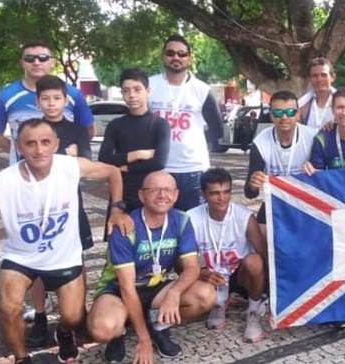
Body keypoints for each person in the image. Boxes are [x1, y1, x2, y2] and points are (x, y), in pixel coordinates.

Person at [0, 119, 131, 364]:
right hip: (21, 257)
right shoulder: (4, 180)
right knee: (8, 308)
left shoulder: (71, 166)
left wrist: (117, 209)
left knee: (74, 318)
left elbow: (112, 172)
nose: (39, 149)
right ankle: (22, 359)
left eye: (45, 142)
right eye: (30, 143)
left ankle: (64, 332)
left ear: (56, 144)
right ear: (19, 148)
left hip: (64, 256)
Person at [88, 171, 216, 363]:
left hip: (157, 287)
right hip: (119, 291)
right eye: (154, 190)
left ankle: (157, 325)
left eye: (167, 190)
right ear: (142, 195)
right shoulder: (126, 226)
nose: (162, 195)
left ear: (176, 195)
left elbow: (192, 268)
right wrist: (143, 339)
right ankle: (120, 331)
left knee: (205, 295)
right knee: (102, 329)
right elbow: (126, 287)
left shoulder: (181, 220)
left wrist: (173, 294)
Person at [19, 75, 96, 347]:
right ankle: (40, 316)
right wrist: (66, 157)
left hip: (70, 206)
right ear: (37, 101)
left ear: (66, 100)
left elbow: (86, 165)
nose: (51, 104)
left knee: (77, 262)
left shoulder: (76, 130)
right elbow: (24, 167)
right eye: (45, 98)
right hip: (36, 208)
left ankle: (77, 315)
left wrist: (75, 158)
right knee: (37, 264)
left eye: (57, 98)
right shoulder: (28, 129)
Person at [187, 168, 266, 342]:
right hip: (212, 274)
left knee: (255, 262)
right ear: (203, 194)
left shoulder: (244, 217)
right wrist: (200, 272)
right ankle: (219, 305)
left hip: (239, 274)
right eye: (214, 193)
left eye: (226, 192)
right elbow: (183, 260)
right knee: (191, 269)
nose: (221, 198)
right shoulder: (192, 218)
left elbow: (263, 254)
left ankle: (253, 313)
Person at [0, 40, 94, 165]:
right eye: (29, 58)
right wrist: (22, 150)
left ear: (53, 62)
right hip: (23, 174)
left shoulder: (74, 94)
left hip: (65, 175)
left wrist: (75, 150)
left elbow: (88, 131)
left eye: (43, 58)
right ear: (22, 63)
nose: (36, 62)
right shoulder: (6, 96)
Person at [148, 34, 223, 211]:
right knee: (161, 222)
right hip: (159, 167)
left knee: (192, 224)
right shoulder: (149, 85)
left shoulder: (202, 89)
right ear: (163, 56)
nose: (176, 57)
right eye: (171, 53)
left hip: (193, 169)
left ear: (189, 58)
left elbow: (217, 128)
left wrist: (193, 142)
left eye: (182, 54)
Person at [99, 68, 171, 214]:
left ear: (148, 90)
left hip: (151, 193)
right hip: (121, 193)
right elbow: (104, 159)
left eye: (137, 89)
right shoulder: (115, 125)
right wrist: (137, 155)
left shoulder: (160, 124)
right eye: (126, 91)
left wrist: (127, 168)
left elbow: (159, 162)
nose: (131, 95)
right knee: (119, 235)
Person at [245, 90, 318, 233]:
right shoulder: (260, 143)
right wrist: (253, 184)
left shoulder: (313, 137)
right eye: (278, 113)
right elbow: (250, 194)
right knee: (260, 231)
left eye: (290, 112)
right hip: (275, 201)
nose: (284, 117)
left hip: (306, 200)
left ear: (298, 115)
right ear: (271, 115)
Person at [298, 57, 337, 130]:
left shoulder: (343, 104)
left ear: (332, 77)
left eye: (324, 75)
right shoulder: (302, 105)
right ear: (310, 79)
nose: (319, 79)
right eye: (315, 76)